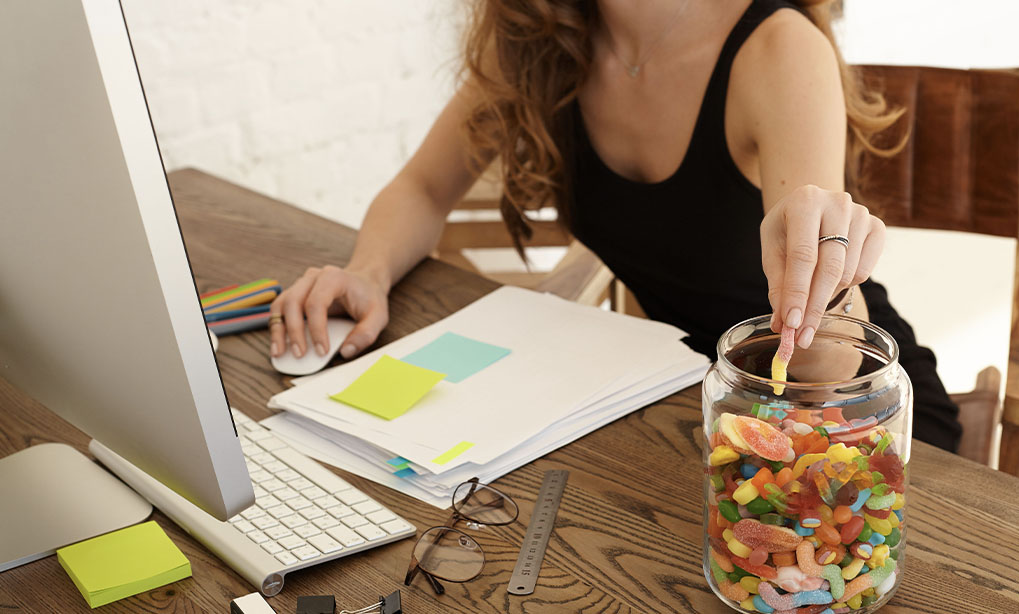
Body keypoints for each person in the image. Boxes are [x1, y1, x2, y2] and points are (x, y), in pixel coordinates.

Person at [268, 0, 962, 452]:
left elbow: (830, 367)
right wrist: (366, 271)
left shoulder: (779, 49)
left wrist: (822, 282)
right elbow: (422, 187)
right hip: (686, 408)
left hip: (852, 421)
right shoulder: (543, 43)